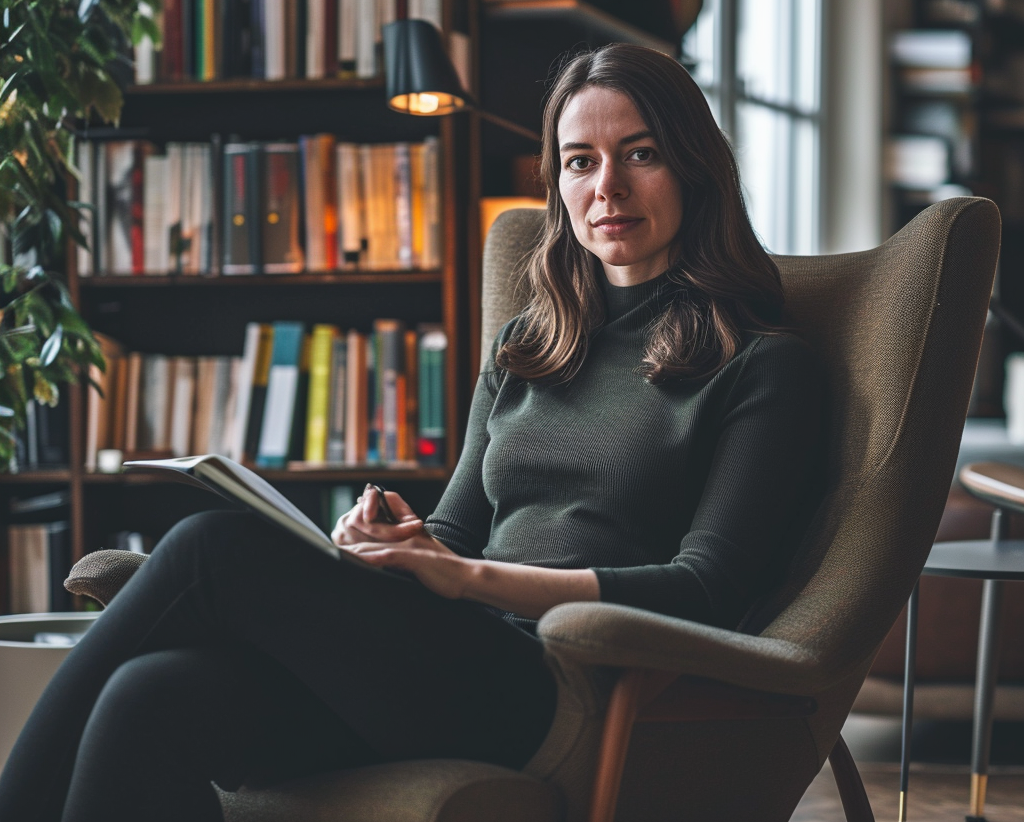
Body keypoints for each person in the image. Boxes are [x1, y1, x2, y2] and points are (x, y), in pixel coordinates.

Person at [0, 43, 822, 822]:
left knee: (209, 548)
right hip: (449, 661)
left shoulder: (759, 365)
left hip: (570, 686)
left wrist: (469, 580)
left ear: (693, 166)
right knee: (152, 698)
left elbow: (706, 589)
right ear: (558, 183)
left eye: (640, 154)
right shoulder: (529, 348)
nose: (607, 187)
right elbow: (458, 533)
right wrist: (394, 544)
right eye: (581, 161)